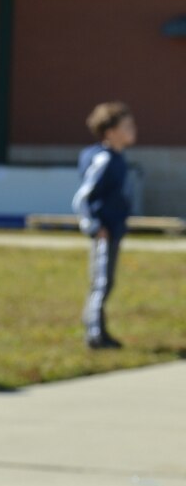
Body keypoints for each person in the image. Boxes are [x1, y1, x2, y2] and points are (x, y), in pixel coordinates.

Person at [75, 101, 137, 350]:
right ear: (110, 132)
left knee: (106, 281)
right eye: (127, 126)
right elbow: (83, 196)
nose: (133, 129)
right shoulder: (103, 159)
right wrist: (93, 225)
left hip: (113, 229)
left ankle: (95, 325)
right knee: (101, 281)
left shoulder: (117, 158)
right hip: (103, 231)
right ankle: (95, 335)